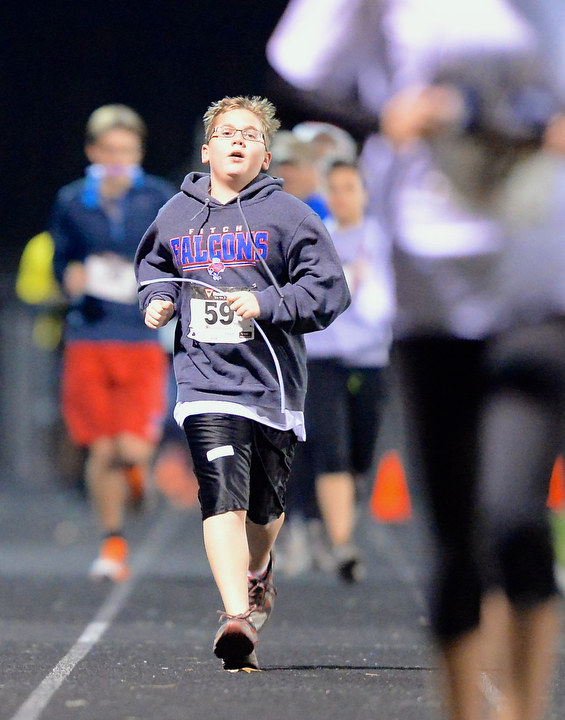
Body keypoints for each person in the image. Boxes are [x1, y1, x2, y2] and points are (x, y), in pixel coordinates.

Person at [267, 1, 565, 718]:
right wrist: (383, 116)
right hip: (430, 266)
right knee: (453, 539)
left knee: (512, 512)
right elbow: (298, 78)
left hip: (549, 262)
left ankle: (524, 709)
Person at [135, 95, 350, 671]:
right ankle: (235, 617)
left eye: (250, 135)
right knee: (220, 494)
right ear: (207, 149)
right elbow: (153, 269)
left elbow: (330, 291)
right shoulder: (176, 214)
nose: (238, 141)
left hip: (272, 387)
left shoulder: (291, 216)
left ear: (265, 153)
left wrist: (265, 302)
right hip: (204, 380)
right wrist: (157, 300)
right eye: (227, 133)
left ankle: (258, 571)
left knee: (264, 510)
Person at [51, 104, 175, 583]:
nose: (119, 158)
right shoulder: (71, 201)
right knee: (101, 448)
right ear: (93, 151)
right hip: (90, 334)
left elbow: (177, 256)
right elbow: (61, 259)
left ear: (139, 151)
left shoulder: (159, 199)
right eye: (109, 149)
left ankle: (139, 477)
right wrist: (70, 276)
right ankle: (112, 543)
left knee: (132, 449)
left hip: (141, 335)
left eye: (127, 149)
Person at [289, 159, 394, 582]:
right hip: (322, 355)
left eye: (350, 188)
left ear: (364, 193)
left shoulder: (384, 241)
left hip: (369, 358)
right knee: (330, 448)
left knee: (360, 455)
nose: (341, 197)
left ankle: (333, 521)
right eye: (334, 188)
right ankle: (343, 545)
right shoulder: (317, 238)